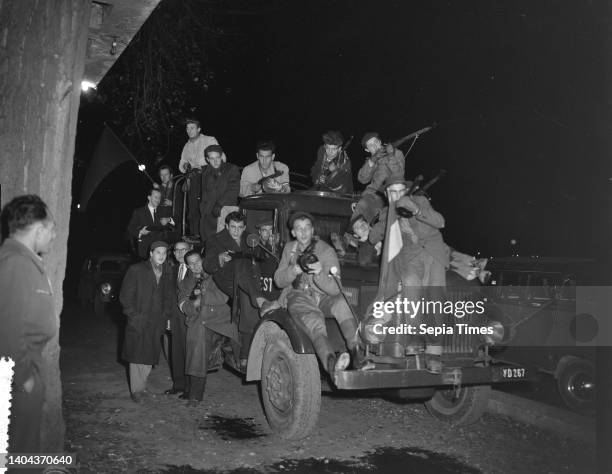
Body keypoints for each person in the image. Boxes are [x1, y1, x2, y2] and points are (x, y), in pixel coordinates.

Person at [274, 211, 369, 374]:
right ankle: (331, 363)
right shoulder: (290, 249)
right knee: (315, 323)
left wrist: (319, 273)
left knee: (342, 303)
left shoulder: (326, 251)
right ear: (293, 232)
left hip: (324, 296)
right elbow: (278, 280)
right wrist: (292, 270)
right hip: (300, 297)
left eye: (307, 228)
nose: (303, 232)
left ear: (312, 231)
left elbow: (335, 288)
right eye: (299, 228)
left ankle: (358, 354)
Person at [371, 176, 448, 373]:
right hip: (410, 257)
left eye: (399, 191)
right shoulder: (387, 213)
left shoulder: (419, 201)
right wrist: (371, 233)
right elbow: (373, 234)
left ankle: (434, 353)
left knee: (436, 300)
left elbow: (440, 222)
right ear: (387, 195)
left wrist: (416, 210)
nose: (396, 195)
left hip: (433, 253)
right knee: (410, 286)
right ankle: (416, 335)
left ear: (406, 192)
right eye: (392, 192)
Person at [0, 195, 56, 458]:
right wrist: (24, 378)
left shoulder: (23, 260)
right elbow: (6, 329)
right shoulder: (16, 263)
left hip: (24, 371)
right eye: (52, 228)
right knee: (19, 456)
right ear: (39, 229)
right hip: (18, 377)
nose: (54, 235)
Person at [178, 250, 238, 406]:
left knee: (241, 343)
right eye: (191, 263)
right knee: (197, 350)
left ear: (202, 260)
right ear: (187, 266)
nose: (195, 266)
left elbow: (223, 297)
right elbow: (183, 305)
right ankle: (195, 396)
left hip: (220, 319)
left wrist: (202, 297)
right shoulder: (186, 282)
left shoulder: (216, 274)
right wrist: (194, 304)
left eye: (197, 261)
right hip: (199, 321)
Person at [119, 241, 174, 402]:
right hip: (139, 319)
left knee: (149, 356)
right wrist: (134, 316)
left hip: (156, 321)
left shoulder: (167, 272)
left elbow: (168, 297)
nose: (161, 256)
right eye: (158, 252)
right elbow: (125, 297)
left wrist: (166, 316)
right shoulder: (136, 270)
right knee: (137, 356)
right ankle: (136, 391)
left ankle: (142, 387)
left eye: (164, 253)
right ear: (150, 253)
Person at [178, 118, 227, 237]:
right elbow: (181, 164)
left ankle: (212, 236)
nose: (189, 130)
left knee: (209, 208)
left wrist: (211, 169)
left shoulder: (209, 140)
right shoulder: (186, 146)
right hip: (194, 178)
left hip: (209, 176)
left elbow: (223, 158)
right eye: (187, 128)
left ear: (199, 129)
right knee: (193, 210)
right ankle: (195, 236)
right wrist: (185, 166)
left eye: (192, 128)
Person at [163, 240, 193, 398]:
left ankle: (190, 388)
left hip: (191, 319)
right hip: (175, 319)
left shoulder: (195, 269)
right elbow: (168, 296)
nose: (180, 253)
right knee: (176, 352)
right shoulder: (172, 270)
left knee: (190, 353)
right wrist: (168, 318)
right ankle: (178, 385)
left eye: (184, 250)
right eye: (177, 250)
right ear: (173, 254)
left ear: (190, 250)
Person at [354, 132, 405, 222]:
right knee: (362, 205)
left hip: (394, 193)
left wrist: (391, 156)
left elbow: (399, 174)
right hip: (375, 194)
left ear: (380, 142)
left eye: (376, 142)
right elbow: (362, 179)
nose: (374, 146)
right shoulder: (371, 160)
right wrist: (372, 160)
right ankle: (351, 233)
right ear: (367, 150)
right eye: (370, 145)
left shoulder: (397, 153)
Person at [200, 144, 240, 241]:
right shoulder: (205, 172)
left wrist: (220, 205)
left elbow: (233, 190)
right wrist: (202, 210)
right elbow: (204, 194)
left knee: (225, 243)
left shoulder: (231, 169)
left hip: (225, 212)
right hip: (208, 214)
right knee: (209, 244)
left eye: (217, 157)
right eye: (212, 158)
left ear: (221, 156)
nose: (215, 161)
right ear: (207, 159)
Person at [127, 188, 175, 259]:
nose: (158, 200)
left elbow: (175, 224)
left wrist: (169, 220)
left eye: (159, 198)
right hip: (145, 249)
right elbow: (130, 229)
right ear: (149, 197)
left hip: (161, 248)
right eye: (156, 197)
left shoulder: (163, 211)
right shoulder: (139, 212)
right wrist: (140, 232)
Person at [311, 130, 353, 194]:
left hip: (340, 194)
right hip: (320, 188)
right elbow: (315, 169)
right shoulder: (321, 151)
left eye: (334, 149)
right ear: (325, 146)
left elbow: (341, 188)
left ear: (339, 149)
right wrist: (318, 178)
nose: (330, 152)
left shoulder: (345, 163)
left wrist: (330, 174)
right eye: (328, 148)